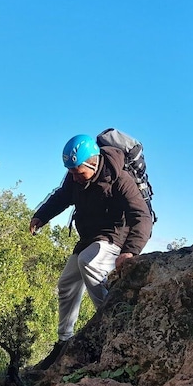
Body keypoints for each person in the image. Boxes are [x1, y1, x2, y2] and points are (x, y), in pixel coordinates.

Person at [29, 134, 153, 369]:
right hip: (89, 236)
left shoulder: (119, 178)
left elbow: (142, 216)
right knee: (66, 283)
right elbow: (61, 197)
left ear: (93, 162)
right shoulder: (74, 177)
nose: (74, 177)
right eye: (71, 172)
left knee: (91, 262)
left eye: (77, 171)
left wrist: (131, 251)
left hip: (116, 235)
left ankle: (112, 326)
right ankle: (64, 341)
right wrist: (41, 216)